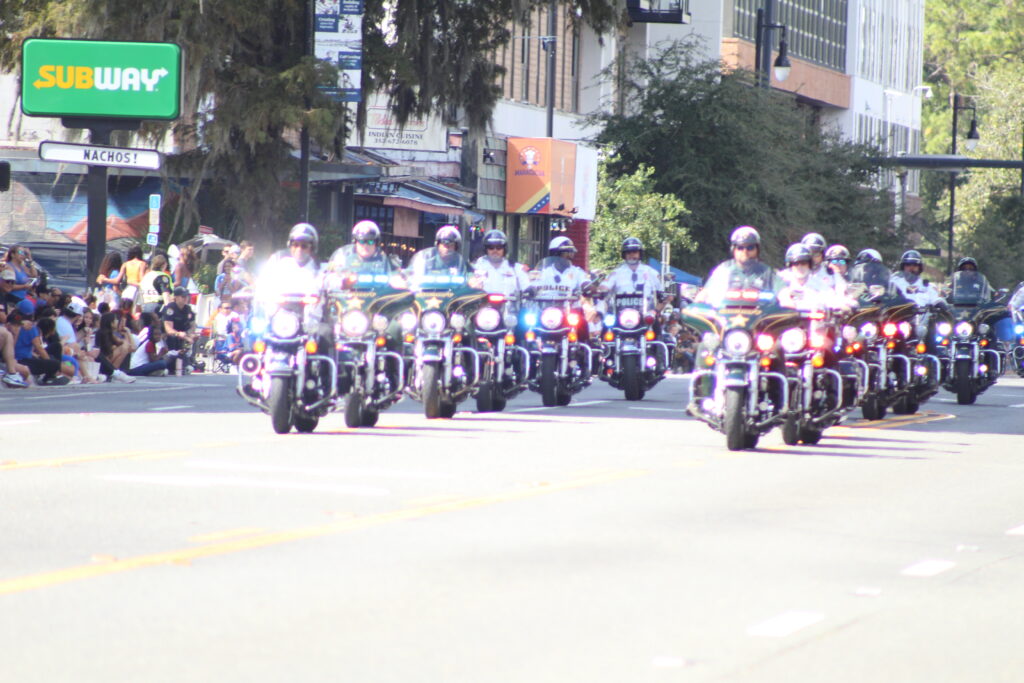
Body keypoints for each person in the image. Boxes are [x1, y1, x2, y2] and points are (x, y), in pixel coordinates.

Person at [696, 226, 784, 303]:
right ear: (733, 250)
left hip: (760, 320)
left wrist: (789, 306)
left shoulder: (768, 272)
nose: (745, 251)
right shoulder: (723, 270)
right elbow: (703, 295)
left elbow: (785, 295)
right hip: (725, 319)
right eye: (740, 247)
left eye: (750, 247)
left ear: (757, 250)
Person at [9, 300, 70, 385]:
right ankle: (50, 378)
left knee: (56, 347)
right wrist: (51, 365)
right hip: (23, 360)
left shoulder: (11, 324)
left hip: (19, 357)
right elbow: (39, 348)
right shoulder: (30, 328)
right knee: (54, 363)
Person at [598, 237, 666, 308]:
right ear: (624, 255)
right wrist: (602, 289)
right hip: (620, 313)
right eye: (628, 253)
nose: (632, 255)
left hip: (645, 314)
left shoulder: (651, 272)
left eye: (635, 252)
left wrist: (656, 311)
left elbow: (663, 295)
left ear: (640, 253)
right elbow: (604, 287)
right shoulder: (616, 273)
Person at [527, 236, 593, 301]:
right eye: (567, 252)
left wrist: (589, 287)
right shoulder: (543, 272)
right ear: (556, 254)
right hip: (546, 308)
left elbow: (585, 282)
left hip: (570, 308)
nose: (570, 255)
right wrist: (530, 290)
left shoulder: (577, 272)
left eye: (571, 252)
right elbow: (532, 286)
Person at [471, 229, 529, 298]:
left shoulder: (515, 268)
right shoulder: (477, 268)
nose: (495, 250)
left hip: (510, 307)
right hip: (484, 306)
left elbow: (526, 286)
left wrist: (530, 290)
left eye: (499, 247)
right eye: (491, 247)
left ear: (504, 249)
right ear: (485, 249)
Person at [327, 220, 395, 277]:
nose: (365, 245)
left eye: (370, 241)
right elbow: (329, 278)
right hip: (347, 292)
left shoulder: (382, 258)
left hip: (377, 292)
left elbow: (393, 281)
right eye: (361, 241)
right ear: (355, 242)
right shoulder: (342, 255)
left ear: (376, 243)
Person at [162, 286, 197, 375]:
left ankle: (188, 360)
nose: (186, 298)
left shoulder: (188, 309)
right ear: (176, 297)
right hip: (171, 335)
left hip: (184, 334)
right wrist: (179, 334)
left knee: (195, 338)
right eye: (183, 296)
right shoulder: (170, 308)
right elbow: (168, 329)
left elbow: (192, 325)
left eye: (187, 296)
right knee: (174, 337)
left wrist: (191, 334)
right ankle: (171, 362)